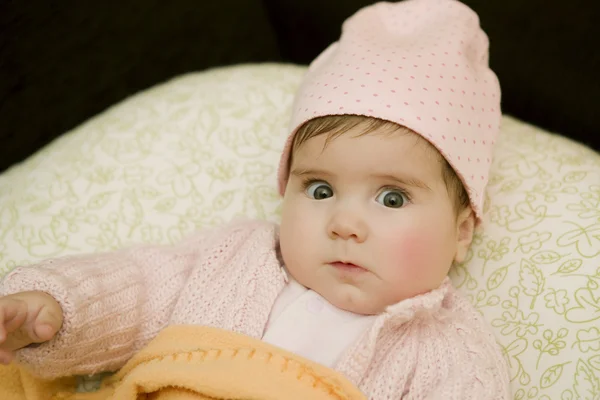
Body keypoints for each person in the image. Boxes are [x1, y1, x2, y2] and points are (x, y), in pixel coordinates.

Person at [0, 0, 511, 398]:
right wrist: (55, 309)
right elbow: (137, 287)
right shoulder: (238, 260)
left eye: (393, 198)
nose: (345, 222)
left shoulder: (449, 355)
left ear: (462, 230)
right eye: (320, 189)